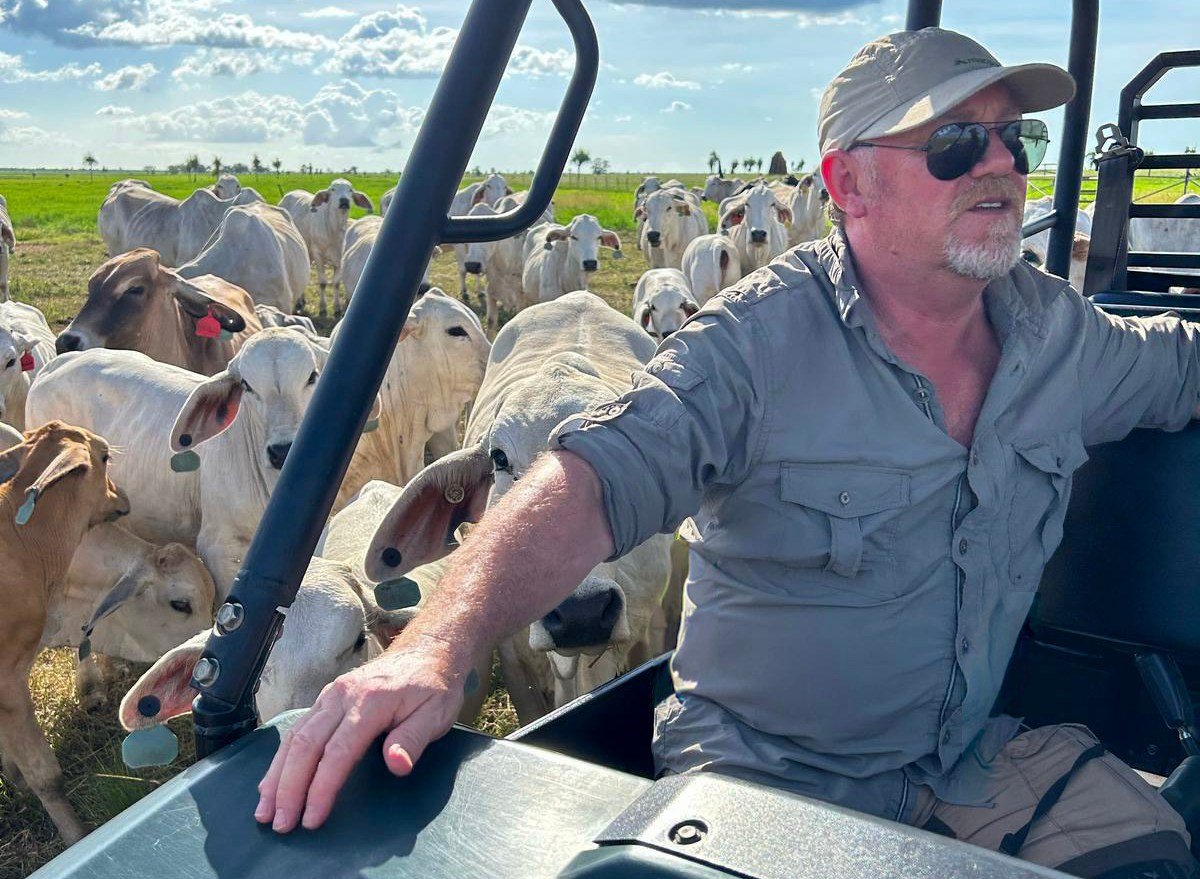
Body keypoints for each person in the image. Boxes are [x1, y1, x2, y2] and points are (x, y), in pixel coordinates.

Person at [256, 28, 1200, 878]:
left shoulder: (1059, 336)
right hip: (768, 796)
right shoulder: (753, 345)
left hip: (963, 766)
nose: (999, 165)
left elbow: (1183, 367)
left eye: (1014, 139)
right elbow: (591, 478)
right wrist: (435, 645)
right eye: (956, 144)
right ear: (848, 187)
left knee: (1160, 854)